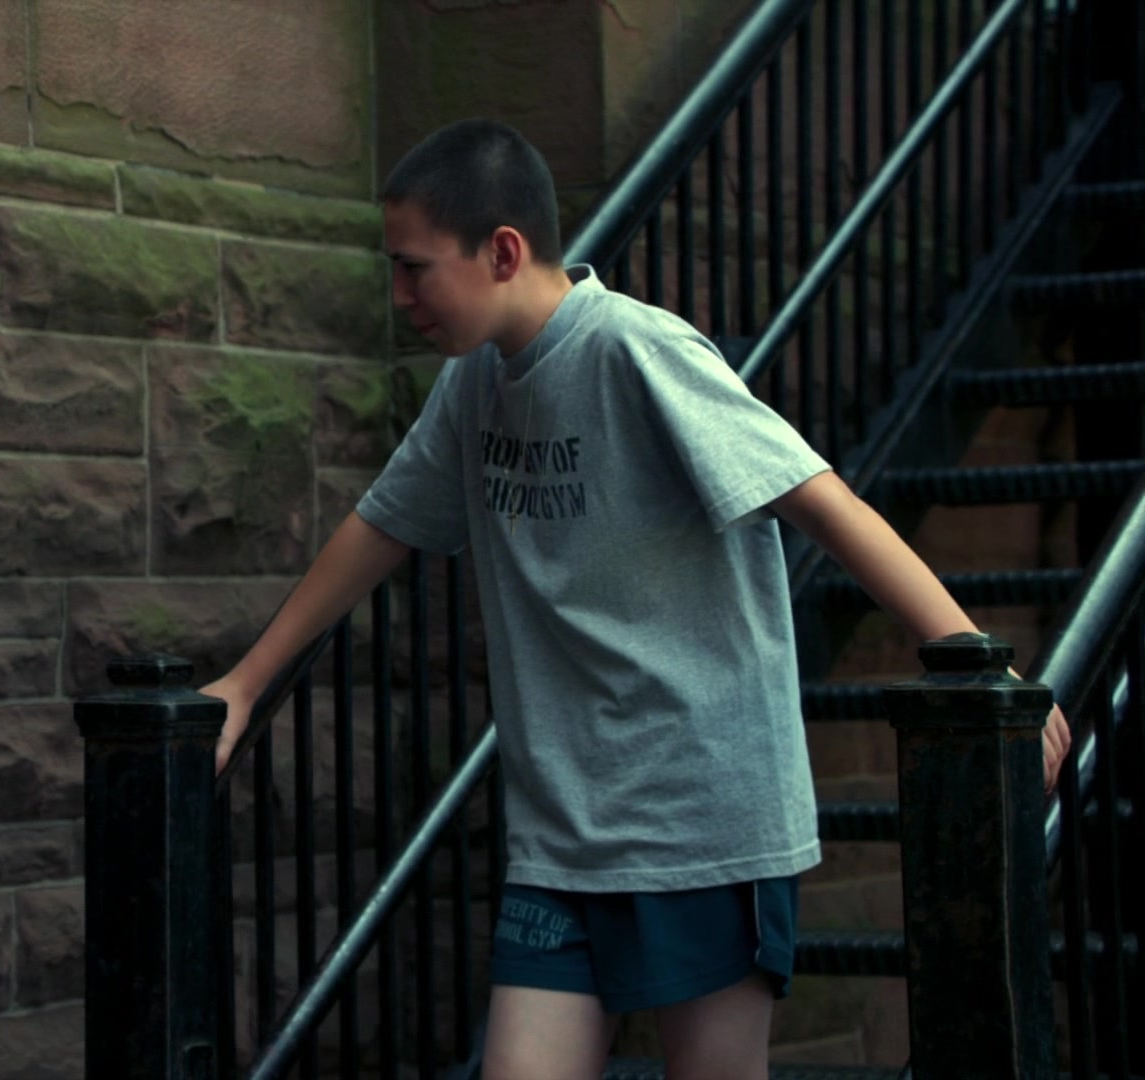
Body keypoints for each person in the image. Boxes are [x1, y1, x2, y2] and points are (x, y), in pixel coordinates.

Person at [199, 118, 1071, 1080]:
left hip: (703, 820)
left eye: (413, 269)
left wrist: (981, 668)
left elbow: (823, 502)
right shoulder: (473, 385)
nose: (399, 295)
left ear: (503, 252)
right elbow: (381, 526)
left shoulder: (638, 350)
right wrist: (243, 684)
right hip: (562, 838)